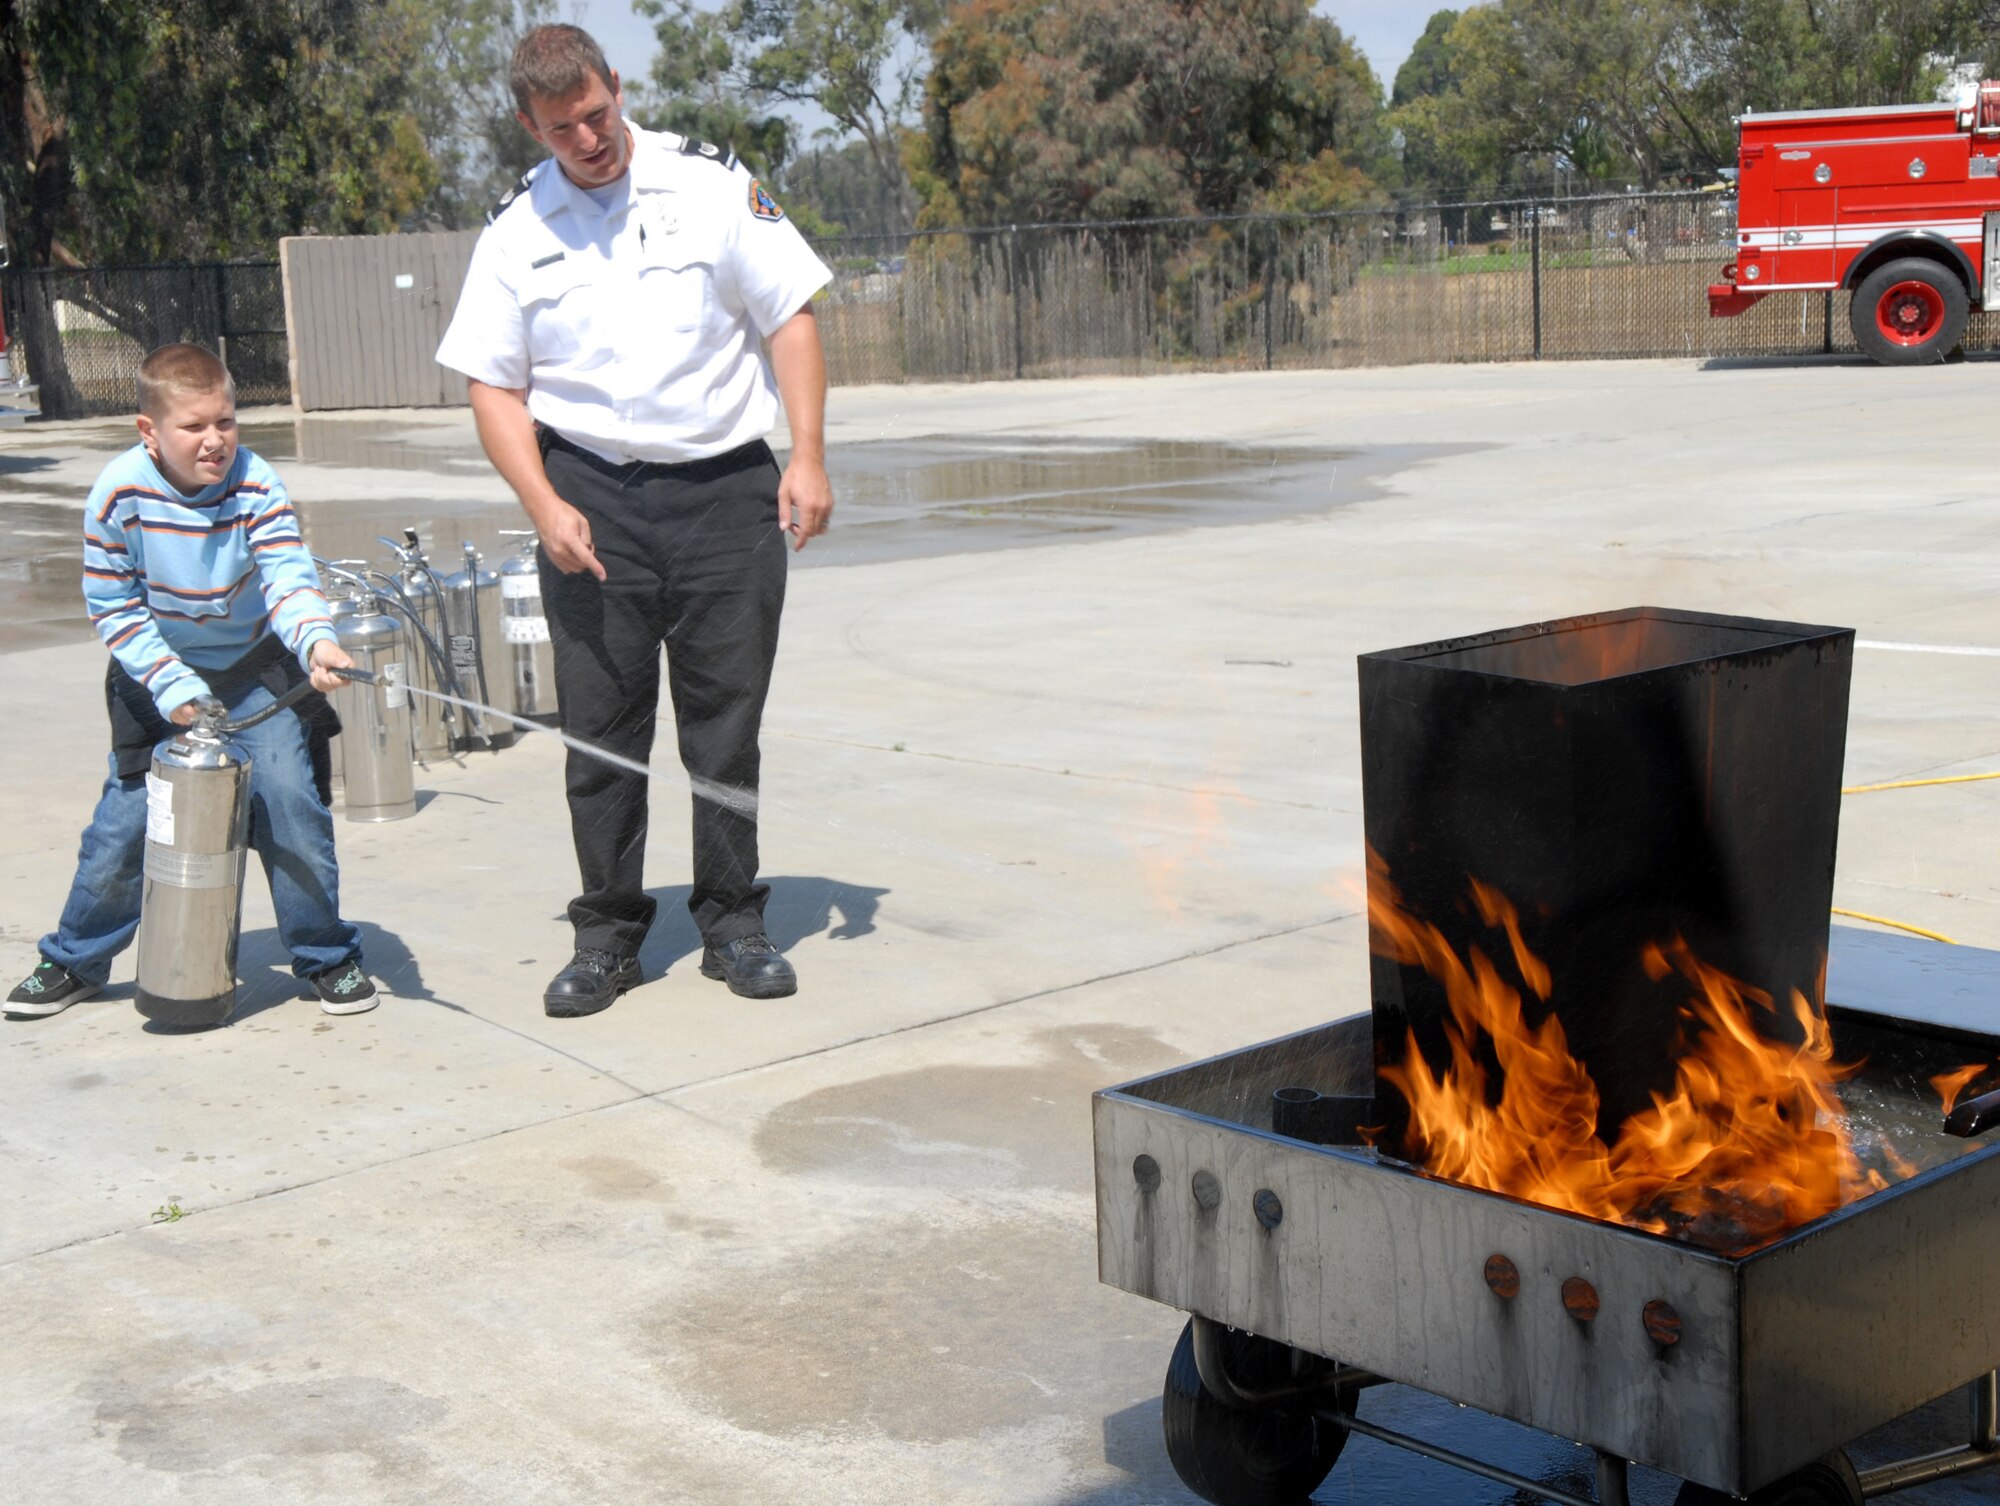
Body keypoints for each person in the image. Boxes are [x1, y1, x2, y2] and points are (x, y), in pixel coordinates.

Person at [435, 23, 834, 1017]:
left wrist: (810, 455)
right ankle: (608, 936)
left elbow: (790, 315)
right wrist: (543, 503)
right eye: (563, 127)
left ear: (618, 88)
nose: (589, 138)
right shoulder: (517, 231)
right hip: (591, 503)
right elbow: (491, 386)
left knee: (723, 731)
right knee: (602, 736)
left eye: (598, 113)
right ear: (529, 127)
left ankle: (733, 924)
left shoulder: (709, 187)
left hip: (725, 495)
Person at [5, 343, 377, 1021]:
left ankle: (327, 955)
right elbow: (114, 609)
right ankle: (75, 959)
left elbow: (287, 576)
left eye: (226, 422)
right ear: (149, 430)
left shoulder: (257, 482)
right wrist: (173, 689)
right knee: (126, 824)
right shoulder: (117, 495)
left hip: (254, 665)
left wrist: (318, 640)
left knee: (291, 802)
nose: (215, 441)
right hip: (156, 672)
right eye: (194, 426)